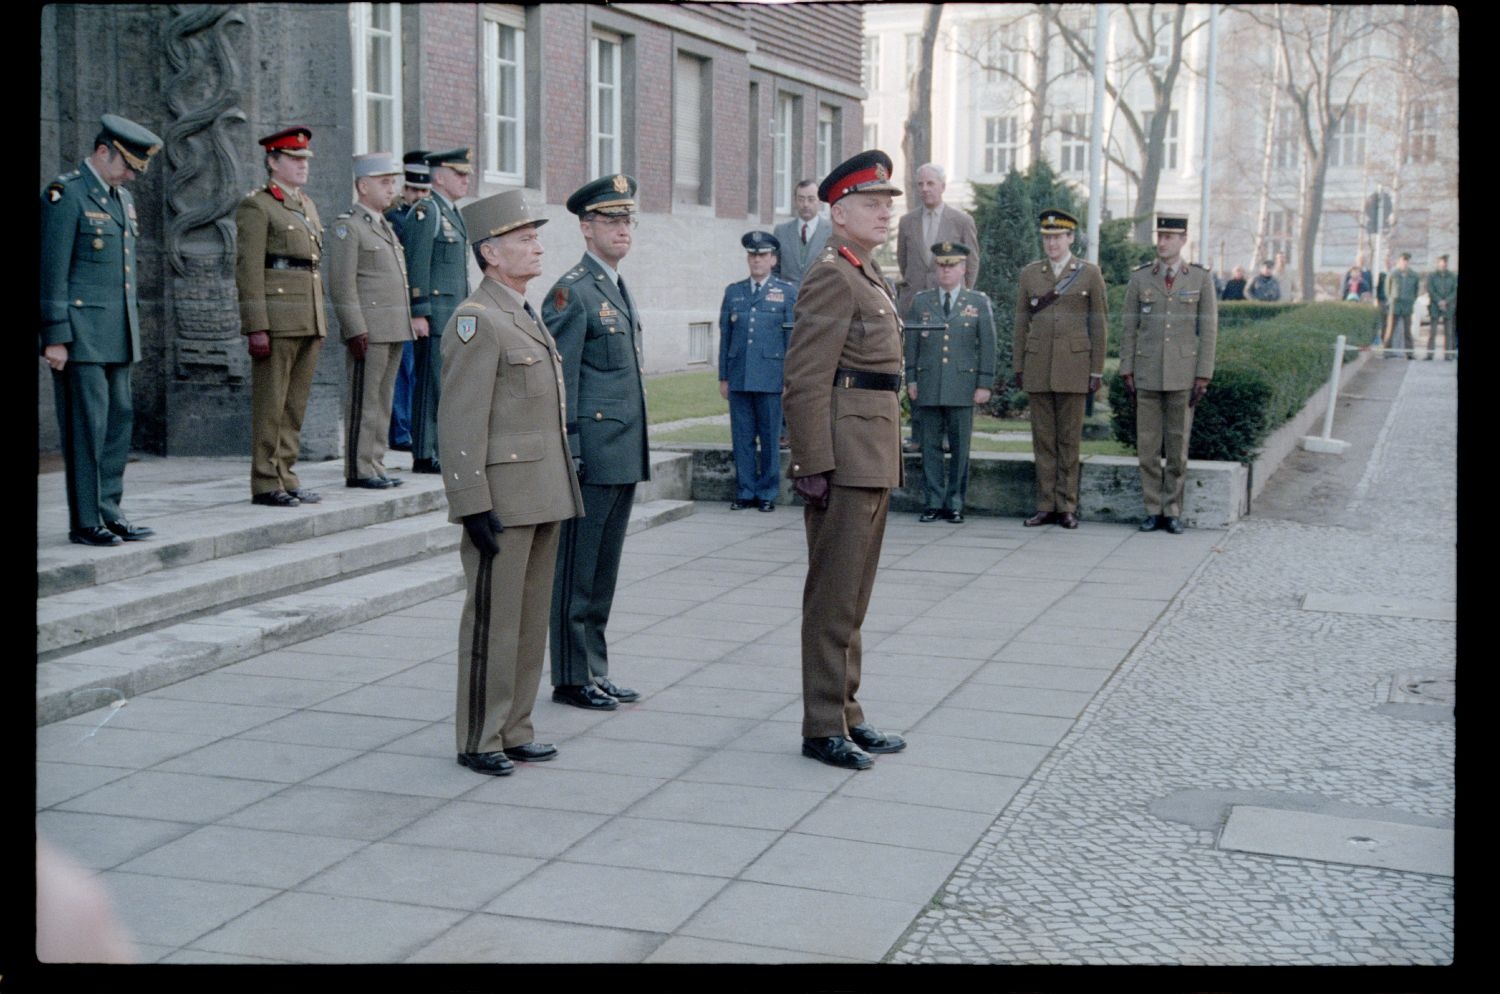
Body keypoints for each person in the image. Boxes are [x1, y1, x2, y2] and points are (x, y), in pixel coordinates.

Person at [439, 190, 583, 776]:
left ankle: (515, 726)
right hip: (502, 499)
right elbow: (459, 418)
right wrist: (470, 501)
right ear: (490, 252)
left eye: (535, 236)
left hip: (542, 491)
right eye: (524, 238)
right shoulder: (477, 319)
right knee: (493, 621)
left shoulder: (523, 312)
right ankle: (480, 736)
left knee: (527, 621)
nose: (537, 246)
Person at [783, 149, 909, 770]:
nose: (885, 213)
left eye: (888, 204)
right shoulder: (833, 273)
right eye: (872, 204)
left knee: (854, 595)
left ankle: (847, 713)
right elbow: (805, 377)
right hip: (844, 456)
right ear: (839, 213)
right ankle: (821, 725)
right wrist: (811, 463)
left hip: (873, 450)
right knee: (833, 596)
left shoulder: (866, 270)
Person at [543, 174, 650, 711]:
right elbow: (559, 378)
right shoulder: (572, 290)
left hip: (622, 449)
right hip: (593, 451)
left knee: (603, 571)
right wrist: (572, 447)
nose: (623, 229)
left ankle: (594, 668)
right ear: (586, 228)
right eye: (611, 219)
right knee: (577, 571)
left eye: (627, 219)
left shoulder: (614, 284)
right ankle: (570, 675)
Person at [40, 113, 163, 546]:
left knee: (118, 423)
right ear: (102, 151)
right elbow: (51, 271)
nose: (131, 174)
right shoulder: (66, 194)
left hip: (117, 332)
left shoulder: (121, 200)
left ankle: (111, 510)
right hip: (82, 335)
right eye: (126, 164)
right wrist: (54, 335)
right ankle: (86, 519)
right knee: (86, 426)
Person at [235, 126, 326, 508]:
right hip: (278, 315)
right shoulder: (258, 205)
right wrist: (256, 325)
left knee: (294, 403)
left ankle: (286, 473)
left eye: (305, 159)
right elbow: (249, 269)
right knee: (272, 403)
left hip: (308, 312)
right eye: (293, 159)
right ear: (273, 162)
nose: (302, 166)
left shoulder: (305, 204)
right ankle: (265, 479)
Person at [1120, 213, 1218, 535]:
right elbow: (1128, 329)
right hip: (1147, 372)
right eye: (1160, 236)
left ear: (1183, 240)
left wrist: (1203, 374)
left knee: (1177, 448)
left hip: (1182, 374)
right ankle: (1152, 509)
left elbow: (1209, 330)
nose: (1162, 242)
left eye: (1169, 237)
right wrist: (1127, 369)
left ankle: (1173, 509)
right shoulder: (1141, 278)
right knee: (1148, 448)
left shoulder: (1199, 279)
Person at [1012, 208, 1108, 530]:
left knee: (1069, 440)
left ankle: (1066, 505)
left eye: (1058, 237)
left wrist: (1096, 371)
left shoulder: (1089, 273)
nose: (1051, 243)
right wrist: (1019, 364)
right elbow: (1021, 323)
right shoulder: (1030, 274)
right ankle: (1044, 505)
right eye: (1047, 237)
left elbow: (1099, 325)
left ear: (1070, 238)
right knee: (1043, 440)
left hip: (1074, 366)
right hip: (1039, 364)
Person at [327, 151, 417, 490]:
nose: (390, 188)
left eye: (391, 182)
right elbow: (342, 283)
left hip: (393, 326)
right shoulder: (348, 227)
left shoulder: (384, 226)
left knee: (382, 400)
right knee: (364, 400)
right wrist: (354, 328)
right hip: (370, 328)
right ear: (362, 186)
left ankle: (376, 462)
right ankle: (359, 467)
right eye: (383, 182)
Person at [904, 241, 995, 524]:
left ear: (964, 268)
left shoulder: (977, 302)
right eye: (942, 265)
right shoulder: (921, 301)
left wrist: (984, 384)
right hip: (929, 383)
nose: (946, 271)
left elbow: (989, 345)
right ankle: (932, 501)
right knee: (929, 446)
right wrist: (911, 378)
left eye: (952, 265)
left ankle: (954, 502)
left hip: (962, 385)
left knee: (960, 447)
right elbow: (912, 343)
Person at [896, 164, 980, 455]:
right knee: (919, 368)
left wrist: (961, 298)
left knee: (945, 368)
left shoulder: (961, 220)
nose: (925, 189)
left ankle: (945, 436)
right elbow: (904, 261)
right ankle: (918, 434)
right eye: (920, 184)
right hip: (917, 307)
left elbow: (972, 262)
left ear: (942, 186)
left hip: (949, 308)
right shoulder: (906, 222)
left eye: (930, 183)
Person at [402, 148, 472, 474]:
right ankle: (424, 452)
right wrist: (418, 311)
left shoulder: (453, 213)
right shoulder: (426, 212)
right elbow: (417, 263)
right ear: (440, 177)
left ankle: (440, 448)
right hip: (434, 313)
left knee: (446, 384)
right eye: (460, 174)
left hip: (453, 312)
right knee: (431, 384)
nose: (466, 179)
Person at [718, 230, 796, 511]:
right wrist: (723, 377)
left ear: (773, 259)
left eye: (762, 255)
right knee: (742, 437)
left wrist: (789, 378)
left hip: (771, 377)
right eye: (752, 255)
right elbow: (726, 336)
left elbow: (792, 340)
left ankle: (767, 493)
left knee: (769, 437)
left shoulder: (786, 293)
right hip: (739, 375)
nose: (756, 260)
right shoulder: (734, 292)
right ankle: (745, 490)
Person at [386, 149, 431, 454]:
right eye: (413, 189)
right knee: (403, 369)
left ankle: (413, 427)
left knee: (417, 370)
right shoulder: (395, 218)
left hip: (421, 304)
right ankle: (401, 431)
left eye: (423, 190)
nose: (417, 195)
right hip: (399, 303)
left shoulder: (429, 217)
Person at [773, 179, 830, 286]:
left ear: (819, 201)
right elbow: (774, 269)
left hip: (819, 298)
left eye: (811, 199)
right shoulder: (781, 231)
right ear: (795, 201)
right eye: (801, 199)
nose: (805, 204)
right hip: (788, 299)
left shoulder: (831, 232)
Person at [1386, 252, 1420, 359]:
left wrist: (1411, 300)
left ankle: (1410, 353)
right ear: (1399, 261)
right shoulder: (1393, 274)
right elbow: (1387, 289)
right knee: (1390, 329)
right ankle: (1386, 352)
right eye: (1402, 261)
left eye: (1406, 261)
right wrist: (1391, 299)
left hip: (1407, 306)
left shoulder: (1414, 275)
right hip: (1395, 305)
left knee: (1407, 331)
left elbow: (1416, 291)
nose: (1404, 263)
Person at [1425, 254, 1457, 360]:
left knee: (1448, 332)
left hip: (1448, 307)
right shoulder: (1432, 276)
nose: (1443, 264)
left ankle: (1448, 354)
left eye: (1445, 262)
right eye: (1441, 262)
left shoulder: (1452, 276)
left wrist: (1446, 301)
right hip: (1435, 305)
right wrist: (1439, 300)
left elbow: (1454, 290)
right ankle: (1430, 354)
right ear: (1438, 263)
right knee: (1432, 332)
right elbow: (1430, 289)